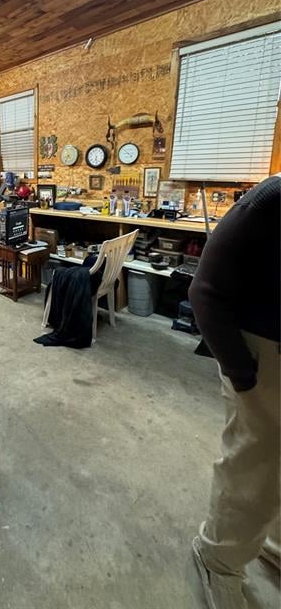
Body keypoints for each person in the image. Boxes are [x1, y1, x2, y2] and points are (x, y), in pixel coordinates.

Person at [189, 174, 280, 609]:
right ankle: (218, 558)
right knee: (252, 466)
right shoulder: (269, 199)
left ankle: (269, 543)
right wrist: (243, 374)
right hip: (263, 358)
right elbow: (204, 291)